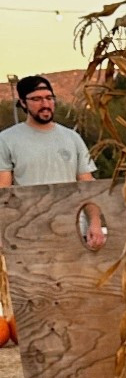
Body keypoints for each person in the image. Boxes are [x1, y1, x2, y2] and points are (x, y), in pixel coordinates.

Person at [0, 76, 105, 249]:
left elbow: (87, 185)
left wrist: (95, 223)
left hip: (73, 231)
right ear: (23, 103)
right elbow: (3, 190)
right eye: (36, 99)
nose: (45, 104)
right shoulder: (6, 140)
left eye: (49, 98)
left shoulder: (72, 138)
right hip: (27, 233)